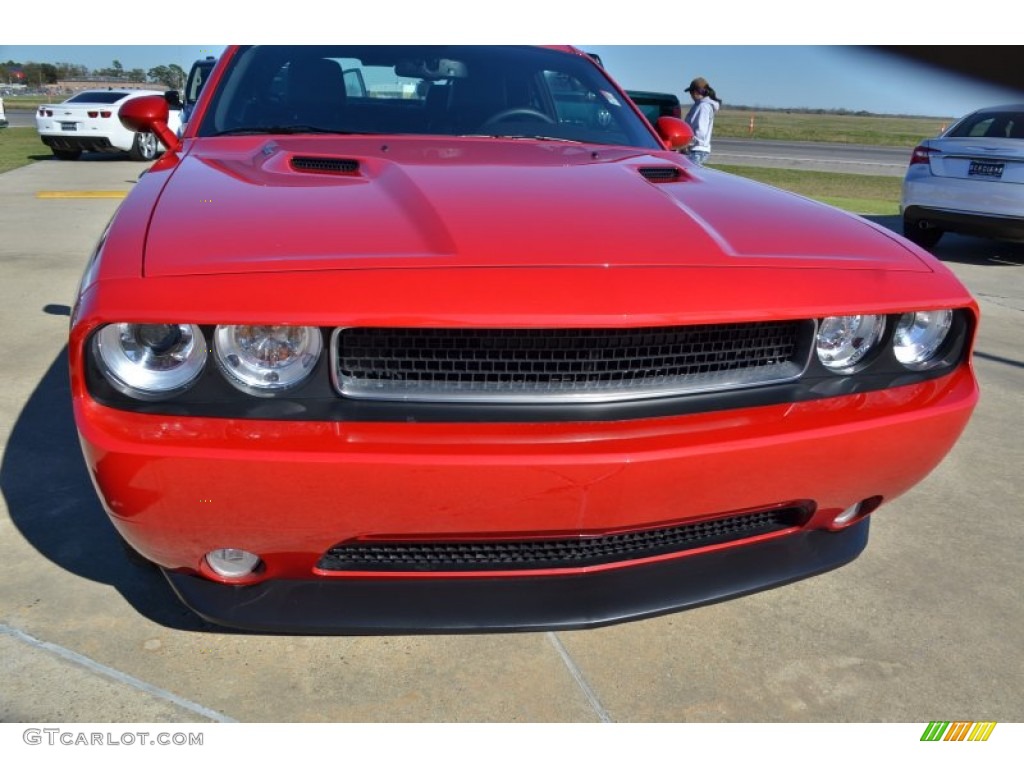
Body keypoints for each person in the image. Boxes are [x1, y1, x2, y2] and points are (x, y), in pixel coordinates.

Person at [683, 77, 721, 166]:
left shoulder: (703, 107)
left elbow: (700, 131)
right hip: (696, 149)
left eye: (691, 92)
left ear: (696, 92)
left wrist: (688, 144)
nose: (690, 95)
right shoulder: (699, 105)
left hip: (696, 150)